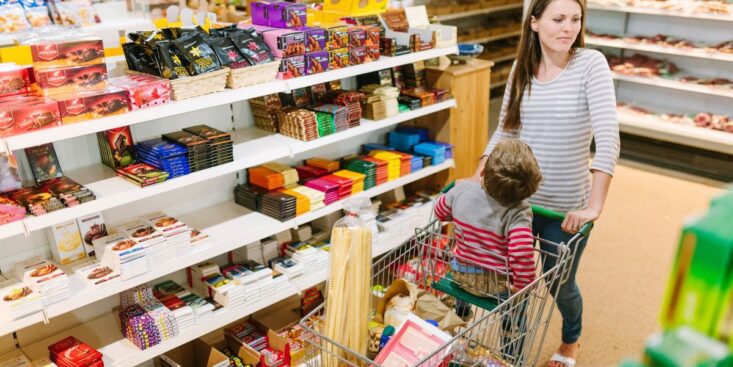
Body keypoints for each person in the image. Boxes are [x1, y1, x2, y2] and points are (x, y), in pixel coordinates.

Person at [468, 0, 621, 365]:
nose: (568, 27)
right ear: (534, 23)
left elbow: (608, 137)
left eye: (575, 19)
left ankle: (571, 339)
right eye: (558, 19)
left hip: (564, 209)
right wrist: (475, 180)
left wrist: (594, 206)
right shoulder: (522, 68)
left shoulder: (591, 65)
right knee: (510, 281)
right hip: (515, 201)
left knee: (559, 284)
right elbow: (504, 132)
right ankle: (510, 356)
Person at [434, 139, 542, 365]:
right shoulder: (519, 210)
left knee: (461, 263)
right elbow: (521, 253)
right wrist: (523, 286)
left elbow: (440, 211)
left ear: (483, 171)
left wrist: (455, 198)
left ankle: (461, 312)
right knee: (518, 305)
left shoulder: (462, 189)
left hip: (460, 275)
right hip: (496, 286)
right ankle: (511, 348)